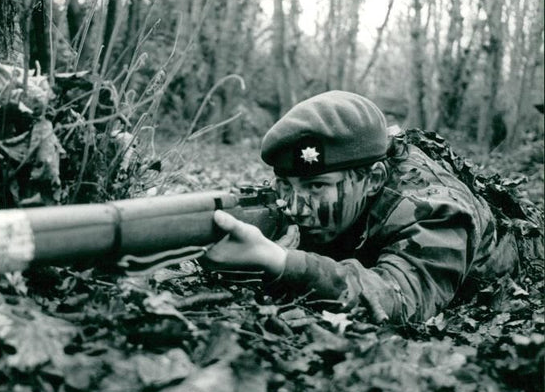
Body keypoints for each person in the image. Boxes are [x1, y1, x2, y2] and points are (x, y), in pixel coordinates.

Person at [204, 90, 520, 323]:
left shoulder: (434, 208)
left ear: (372, 179)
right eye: (285, 184)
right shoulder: (301, 196)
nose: (295, 207)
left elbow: (398, 301)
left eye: (316, 186)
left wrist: (284, 262)